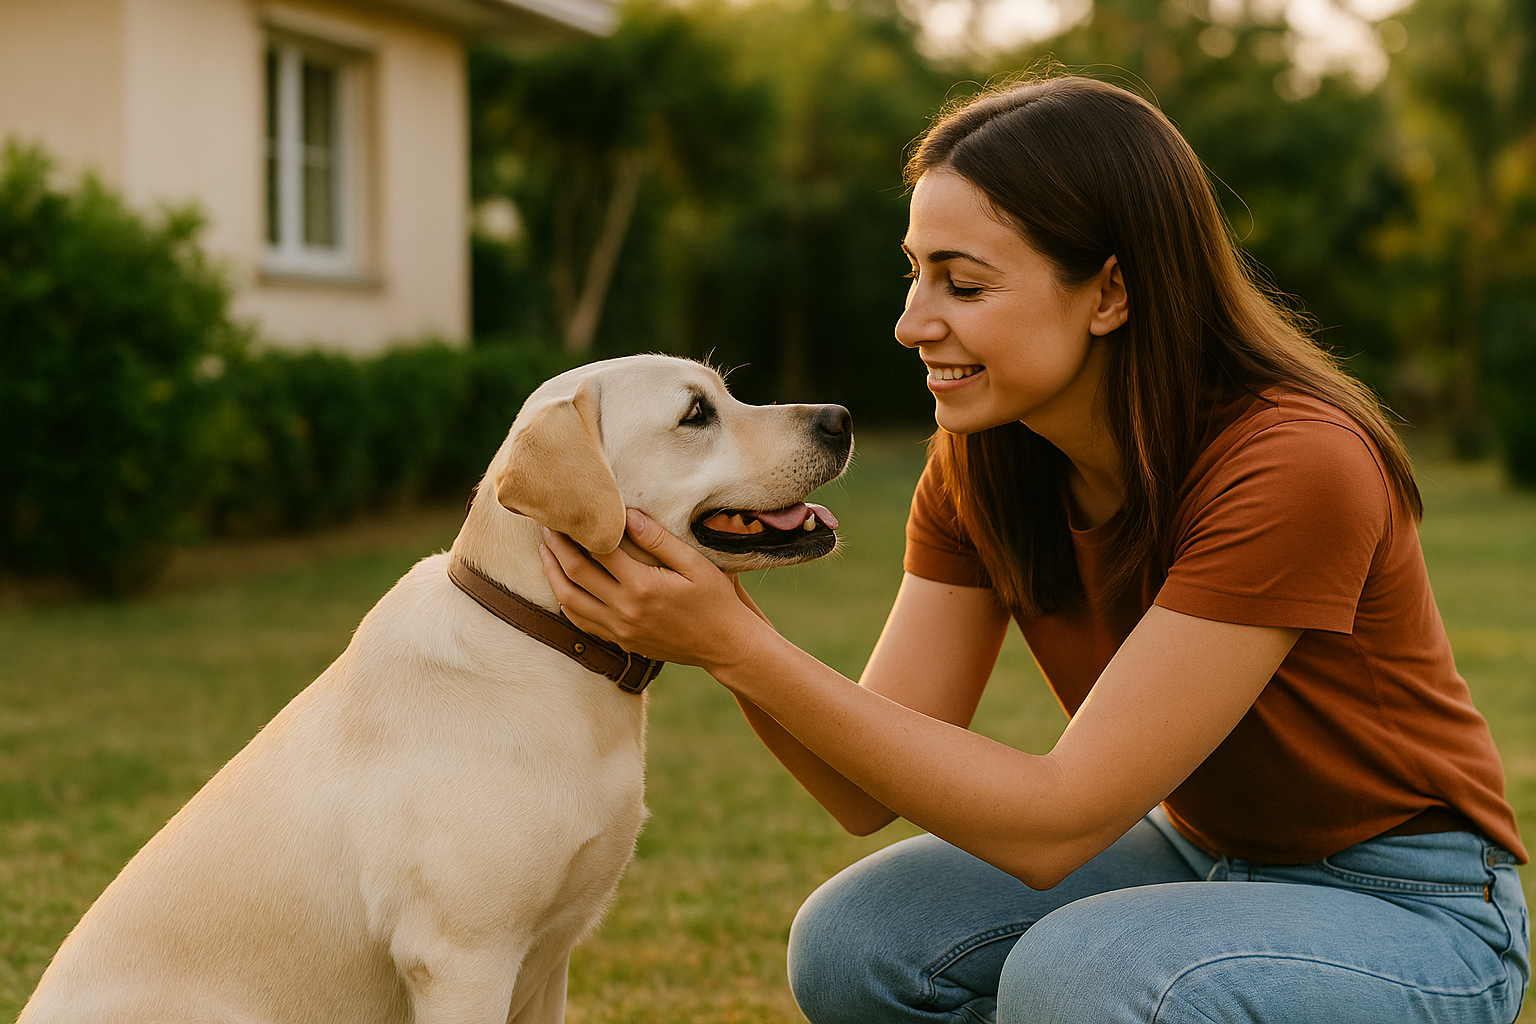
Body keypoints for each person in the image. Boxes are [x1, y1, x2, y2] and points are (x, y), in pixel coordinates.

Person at [539, 75, 1530, 1023]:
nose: (910, 323)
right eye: (915, 272)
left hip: (1413, 906)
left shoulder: (1294, 462)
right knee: (854, 944)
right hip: (1198, 854)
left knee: (1085, 978)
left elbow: (1061, 823)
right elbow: (858, 788)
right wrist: (719, 622)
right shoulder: (982, 463)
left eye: (963, 283)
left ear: (1109, 293)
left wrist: (733, 643)